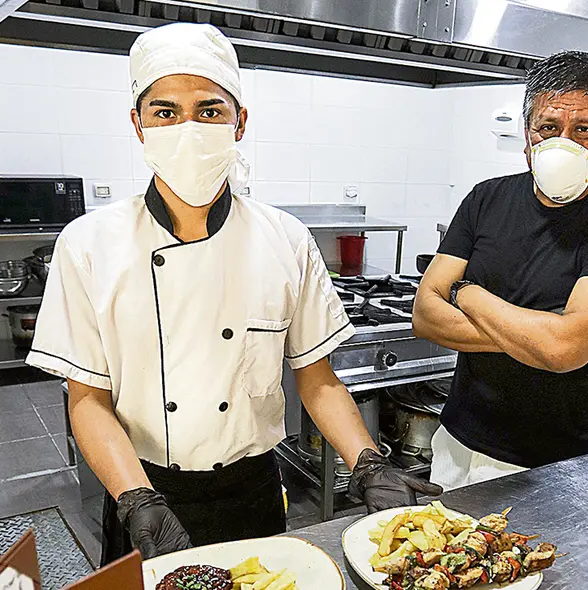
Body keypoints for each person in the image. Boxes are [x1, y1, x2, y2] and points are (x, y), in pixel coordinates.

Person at [27, 22, 440, 564]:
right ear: (138, 124)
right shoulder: (88, 244)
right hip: (142, 489)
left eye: (209, 110)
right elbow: (88, 400)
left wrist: (367, 460)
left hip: (253, 491)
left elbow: (316, 380)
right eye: (165, 111)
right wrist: (134, 498)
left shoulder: (285, 239)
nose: (188, 129)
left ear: (239, 121)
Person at [412, 51, 588, 491]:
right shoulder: (485, 199)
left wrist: (468, 294)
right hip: (454, 438)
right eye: (548, 128)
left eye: (583, 130)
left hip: (547, 463)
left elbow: (565, 349)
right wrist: (538, 336)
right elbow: (425, 315)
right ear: (527, 134)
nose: (563, 143)